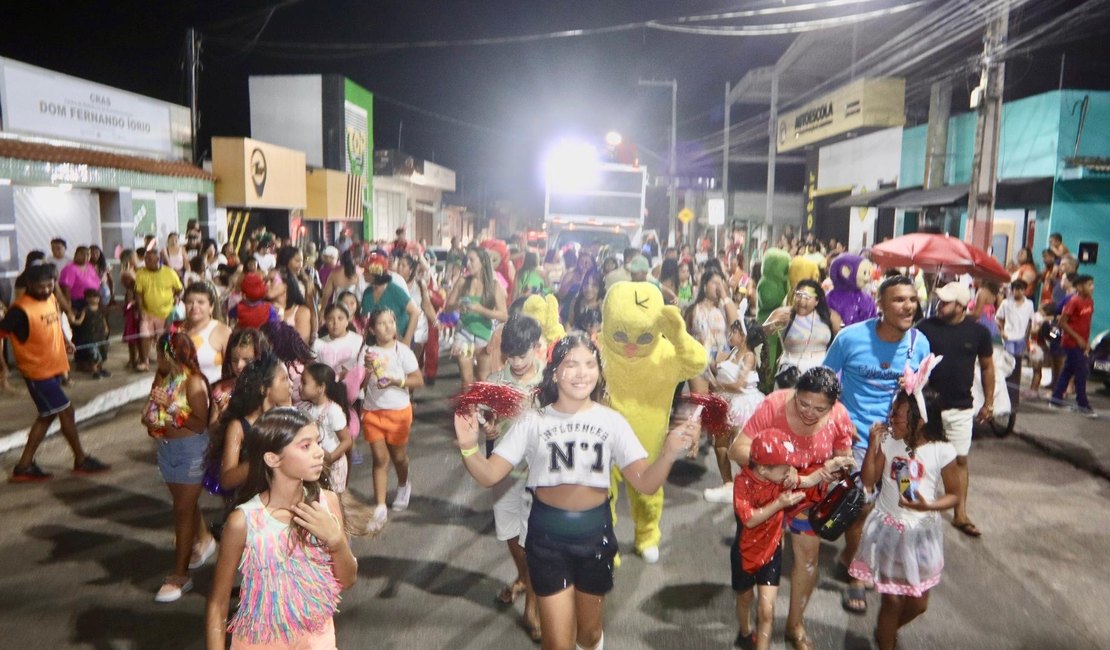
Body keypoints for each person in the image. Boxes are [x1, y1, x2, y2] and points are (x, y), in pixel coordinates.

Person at [454, 333, 699, 650]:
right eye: (571, 364)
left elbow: (645, 483)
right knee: (556, 644)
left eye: (589, 364)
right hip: (546, 537)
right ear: (554, 372)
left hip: (594, 534)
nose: (582, 372)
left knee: (589, 634)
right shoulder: (533, 421)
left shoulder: (612, 422)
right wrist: (467, 448)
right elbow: (490, 474)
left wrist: (668, 452)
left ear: (599, 371)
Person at [822, 275, 930, 615]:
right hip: (857, 439)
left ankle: (848, 556)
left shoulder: (919, 343)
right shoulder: (850, 338)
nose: (908, 305)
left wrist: (911, 387)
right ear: (879, 304)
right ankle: (858, 576)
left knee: (894, 509)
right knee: (860, 509)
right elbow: (824, 384)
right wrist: (840, 424)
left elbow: (922, 392)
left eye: (912, 299)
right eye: (899, 299)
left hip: (899, 441)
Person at [205, 408, 358, 649]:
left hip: (318, 639)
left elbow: (348, 580)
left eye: (318, 442)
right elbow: (218, 603)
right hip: (260, 642)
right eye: (306, 446)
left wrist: (336, 540)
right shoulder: (243, 521)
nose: (320, 452)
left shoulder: (327, 503)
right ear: (272, 459)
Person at [728, 367, 854, 648]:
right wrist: (777, 468)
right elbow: (737, 449)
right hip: (764, 493)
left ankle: (795, 625)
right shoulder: (774, 404)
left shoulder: (840, 417)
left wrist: (833, 469)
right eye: (803, 403)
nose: (810, 412)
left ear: (833, 406)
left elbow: (843, 455)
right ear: (795, 393)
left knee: (808, 559)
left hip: (807, 500)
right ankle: (748, 622)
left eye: (819, 408)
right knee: (752, 563)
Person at [851, 383, 959, 650]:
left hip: (921, 533)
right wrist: (873, 445)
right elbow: (868, 481)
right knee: (892, 602)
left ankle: (885, 630)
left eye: (897, 415)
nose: (890, 419)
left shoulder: (942, 451)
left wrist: (928, 507)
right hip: (889, 528)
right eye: (892, 413)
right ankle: (886, 639)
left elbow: (955, 495)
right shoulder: (888, 442)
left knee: (919, 604)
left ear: (919, 421)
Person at [1, 263, 111, 482]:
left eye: (50, 285)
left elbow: (54, 322)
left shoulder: (50, 299)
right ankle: (80, 459)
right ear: (30, 285)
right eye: (40, 286)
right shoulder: (19, 311)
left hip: (53, 369)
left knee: (47, 415)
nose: (46, 290)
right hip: (37, 374)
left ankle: (24, 466)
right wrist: (3, 367)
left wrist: (64, 340)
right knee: (66, 411)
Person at [483, 315, 546, 642]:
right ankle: (525, 576)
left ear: (537, 347)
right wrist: (487, 428)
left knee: (534, 542)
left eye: (523, 354)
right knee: (510, 534)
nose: (517, 362)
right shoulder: (496, 380)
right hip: (504, 471)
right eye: (512, 355)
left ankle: (533, 610)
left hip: (540, 473)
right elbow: (484, 416)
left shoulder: (549, 383)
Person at [915, 281, 993, 538]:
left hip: (960, 408)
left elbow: (987, 367)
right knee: (914, 459)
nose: (940, 305)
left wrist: (989, 401)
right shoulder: (925, 328)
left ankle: (960, 514)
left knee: (959, 460)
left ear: (961, 305)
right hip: (925, 407)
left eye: (946, 302)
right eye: (939, 300)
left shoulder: (978, 333)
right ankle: (912, 505)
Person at [141, 332, 215, 602]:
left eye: (159, 354)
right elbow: (151, 411)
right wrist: (150, 418)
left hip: (191, 451)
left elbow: (199, 424)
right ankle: (205, 538)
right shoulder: (162, 378)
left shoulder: (193, 383)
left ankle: (180, 575)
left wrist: (170, 407)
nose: (155, 358)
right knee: (186, 502)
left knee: (182, 510)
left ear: (172, 355)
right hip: (166, 450)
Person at [360, 308, 425, 533]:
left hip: (398, 412)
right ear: (372, 329)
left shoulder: (403, 351)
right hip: (372, 412)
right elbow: (359, 384)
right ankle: (380, 508)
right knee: (379, 458)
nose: (388, 327)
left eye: (391, 322)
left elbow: (418, 380)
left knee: (399, 457)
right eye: (382, 323)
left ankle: (403, 484)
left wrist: (396, 381)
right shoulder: (367, 352)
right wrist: (367, 370)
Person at [703, 319, 765, 504]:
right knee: (719, 446)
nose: (729, 335)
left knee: (737, 450)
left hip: (744, 406)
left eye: (733, 332)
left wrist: (717, 385)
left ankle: (758, 482)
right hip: (726, 403)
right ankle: (728, 485)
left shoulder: (749, 357)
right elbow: (717, 368)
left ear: (743, 335)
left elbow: (739, 385)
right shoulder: (732, 352)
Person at [446, 247, 509, 387]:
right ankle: (469, 409)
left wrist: (480, 309)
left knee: (482, 377)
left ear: (483, 262)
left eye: (472, 260)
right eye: (466, 260)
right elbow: (447, 306)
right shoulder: (462, 281)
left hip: (485, 334)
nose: (467, 263)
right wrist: (458, 305)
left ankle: (480, 408)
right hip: (463, 334)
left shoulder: (493, 285)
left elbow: (503, 315)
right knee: (466, 379)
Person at [762, 279, 840, 385]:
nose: (802, 301)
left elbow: (841, 341)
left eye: (807, 297)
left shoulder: (830, 316)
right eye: (798, 295)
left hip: (820, 369)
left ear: (817, 301)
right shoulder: (782, 313)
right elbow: (759, 335)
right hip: (789, 369)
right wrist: (775, 324)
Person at [298, 363, 353, 494]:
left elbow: (347, 440)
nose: (300, 387)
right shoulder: (308, 410)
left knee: (335, 498)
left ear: (320, 388)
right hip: (318, 464)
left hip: (333, 466)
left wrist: (331, 457)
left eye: (304, 383)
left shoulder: (333, 411)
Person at [686, 269, 739, 394]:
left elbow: (734, 325)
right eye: (714, 283)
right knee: (701, 401)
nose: (718, 286)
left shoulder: (724, 307)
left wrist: (725, 297)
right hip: (700, 359)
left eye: (721, 283)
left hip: (722, 359)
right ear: (704, 286)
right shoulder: (694, 309)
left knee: (720, 402)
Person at [1050, 274, 1097, 417]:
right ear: (1079, 287)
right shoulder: (1073, 302)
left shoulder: (1090, 301)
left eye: (1092, 284)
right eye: (1089, 285)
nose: (1092, 287)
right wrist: (1077, 338)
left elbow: (1085, 323)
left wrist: (1086, 341)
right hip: (1071, 343)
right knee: (1081, 371)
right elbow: (1062, 322)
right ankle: (1082, 404)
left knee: (1068, 370)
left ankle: (1056, 399)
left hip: (1081, 342)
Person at [134, 248, 184, 371]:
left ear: (158, 259)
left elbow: (180, 289)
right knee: (144, 335)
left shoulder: (169, 272)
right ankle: (144, 361)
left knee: (164, 339)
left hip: (166, 313)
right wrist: (140, 309)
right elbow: (138, 293)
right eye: (145, 259)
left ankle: (164, 360)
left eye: (149, 259)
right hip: (148, 312)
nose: (146, 262)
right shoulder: (141, 273)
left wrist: (177, 297)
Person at [361, 252, 419, 348]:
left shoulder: (394, 290)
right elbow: (365, 319)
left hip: (399, 342)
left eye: (366, 271)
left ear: (374, 273)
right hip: (378, 344)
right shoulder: (367, 293)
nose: (363, 273)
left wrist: (407, 340)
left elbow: (415, 312)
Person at [181, 282, 232, 385]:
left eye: (200, 302)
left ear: (211, 307)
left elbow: (232, 371)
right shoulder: (177, 331)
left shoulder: (222, 331)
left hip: (212, 394)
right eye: (190, 302)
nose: (194, 306)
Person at [269, 246, 317, 345]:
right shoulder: (275, 277)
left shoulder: (305, 282)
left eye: (302, 261)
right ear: (286, 260)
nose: (301, 265)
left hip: (299, 320)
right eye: (297, 260)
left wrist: (314, 330)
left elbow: (312, 307)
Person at [996, 278, 1035, 391]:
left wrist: (1027, 338)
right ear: (1012, 290)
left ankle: (1014, 391)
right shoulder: (1006, 303)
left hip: (1021, 339)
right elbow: (998, 319)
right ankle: (1005, 389)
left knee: (1017, 365)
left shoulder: (1029, 304)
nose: (1017, 292)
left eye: (1020, 289)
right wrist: (1002, 332)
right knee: (1008, 363)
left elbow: (1030, 322)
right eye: (1015, 289)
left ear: (1024, 291)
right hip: (1008, 337)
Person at [71, 288, 111, 378]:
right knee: (94, 355)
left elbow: (103, 319)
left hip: (100, 335)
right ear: (87, 299)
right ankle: (95, 371)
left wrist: (106, 327)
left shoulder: (100, 309)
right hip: (90, 336)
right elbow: (80, 321)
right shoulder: (86, 310)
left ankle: (100, 369)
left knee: (103, 352)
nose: (94, 299)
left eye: (96, 297)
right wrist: (73, 320)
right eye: (91, 297)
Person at [58, 246, 102, 313]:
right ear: (76, 254)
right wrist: (68, 305)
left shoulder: (90, 266)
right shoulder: (70, 269)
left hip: (93, 300)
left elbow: (96, 281)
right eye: (82, 254)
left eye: (88, 254)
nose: (85, 257)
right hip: (78, 302)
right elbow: (66, 288)